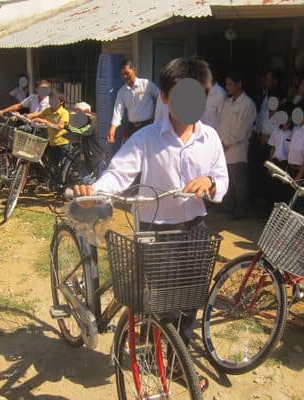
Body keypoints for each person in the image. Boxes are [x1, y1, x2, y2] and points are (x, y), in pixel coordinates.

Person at [74, 57, 229, 392]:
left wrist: (210, 183)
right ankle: (150, 347)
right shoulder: (146, 138)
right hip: (156, 232)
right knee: (157, 302)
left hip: (196, 228)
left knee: (188, 302)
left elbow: (222, 179)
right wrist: (96, 191)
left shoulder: (211, 139)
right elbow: (118, 173)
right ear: (165, 98)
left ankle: (176, 358)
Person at [217, 70, 257, 219]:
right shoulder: (227, 103)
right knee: (227, 180)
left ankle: (241, 210)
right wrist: (220, 142)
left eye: (230, 84)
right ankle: (228, 207)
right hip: (223, 148)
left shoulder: (247, 104)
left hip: (237, 149)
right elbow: (221, 124)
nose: (227, 87)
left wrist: (227, 143)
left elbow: (243, 128)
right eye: (226, 84)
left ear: (239, 84)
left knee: (239, 183)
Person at [108, 59, 159, 144]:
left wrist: (157, 115)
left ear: (134, 70)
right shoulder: (122, 92)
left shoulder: (146, 84)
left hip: (148, 126)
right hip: (132, 128)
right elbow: (118, 112)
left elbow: (160, 97)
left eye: (127, 73)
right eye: (122, 74)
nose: (124, 76)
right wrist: (112, 130)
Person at [31, 89, 70, 177]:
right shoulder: (48, 110)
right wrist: (22, 116)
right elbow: (37, 115)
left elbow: (59, 126)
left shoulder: (64, 113)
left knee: (61, 169)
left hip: (62, 144)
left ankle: (60, 185)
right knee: (52, 166)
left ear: (61, 102)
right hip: (51, 143)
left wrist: (44, 121)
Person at [67, 102, 105, 176]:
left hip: (96, 159)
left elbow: (80, 131)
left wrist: (66, 127)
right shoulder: (85, 125)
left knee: (97, 181)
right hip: (88, 159)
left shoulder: (91, 125)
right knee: (86, 181)